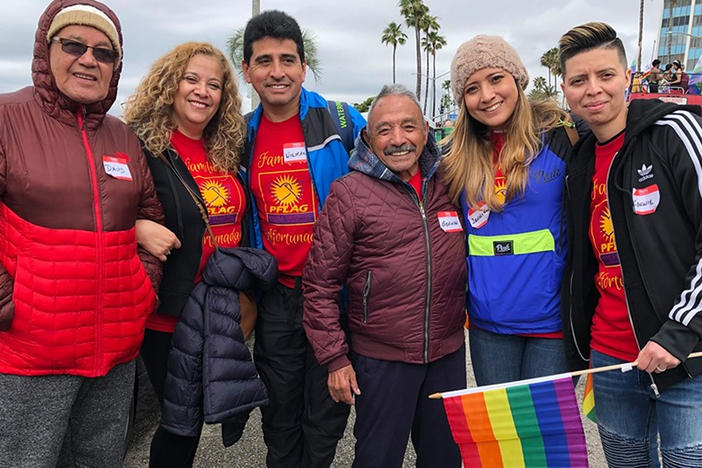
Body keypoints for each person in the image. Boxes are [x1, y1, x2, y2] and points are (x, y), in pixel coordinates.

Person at [0, 0, 164, 466]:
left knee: (101, 460)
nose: (89, 59)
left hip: (113, 351)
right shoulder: (7, 119)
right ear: (45, 50)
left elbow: (151, 214)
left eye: (104, 52)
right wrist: (6, 303)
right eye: (73, 45)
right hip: (30, 352)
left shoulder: (122, 137)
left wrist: (141, 289)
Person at [559, 22, 702, 467]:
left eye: (605, 75)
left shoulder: (673, 131)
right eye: (579, 80)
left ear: (628, 77)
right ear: (565, 89)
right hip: (610, 358)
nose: (593, 90)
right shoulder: (580, 159)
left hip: (686, 356)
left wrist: (679, 332)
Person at [303, 84, 467, 468]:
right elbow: (319, 285)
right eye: (385, 130)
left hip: (447, 354)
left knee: (445, 458)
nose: (398, 140)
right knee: (378, 459)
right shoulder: (349, 194)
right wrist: (335, 359)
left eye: (408, 127)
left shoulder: (451, 184)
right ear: (368, 137)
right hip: (382, 360)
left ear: (426, 130)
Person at [240, 10, 366, 467]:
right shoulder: (240, 136)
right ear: (247, 69)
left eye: (288, 60)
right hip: (277, 295)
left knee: (327, 411)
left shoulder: (341, 121)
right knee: (278, 409)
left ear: (303, 66)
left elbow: (403, 160)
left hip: (335, 296)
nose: (278, 71)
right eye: (265, 61)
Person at [123, 42, 250, 467]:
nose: (202, 91)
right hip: (169, 314)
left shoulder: (227, 149)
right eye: (191, 79)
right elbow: (100, 206)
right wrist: (136, 229)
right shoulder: (142, 147)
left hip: (220, 306)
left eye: (214, 84)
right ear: (170, 85)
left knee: (196, 415)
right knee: (181, 420)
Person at [441, 35, 575, 386]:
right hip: (489, 326)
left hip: (552, 324)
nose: (486, 95)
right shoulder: (455, 158)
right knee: (502, 438)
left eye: (496, 78)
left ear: (517, 79)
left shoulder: (564, 137)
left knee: (544, 437)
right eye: (472, 88)